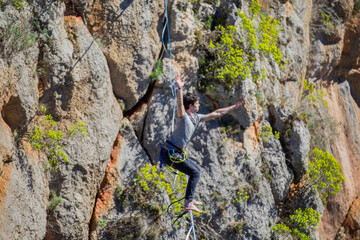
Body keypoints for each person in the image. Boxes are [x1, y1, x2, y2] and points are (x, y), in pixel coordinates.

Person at [160, 75, 245, 213]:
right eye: (197, 104)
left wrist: (234, 107)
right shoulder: (184, 117)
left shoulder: (196, 118)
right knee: (194, 172)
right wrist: (179, 88)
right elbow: (180, 105)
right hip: (169, 153)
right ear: (191, 106)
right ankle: (188, 203)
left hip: (176, 152)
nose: (199, 105)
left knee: (197, 170)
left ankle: (189, 199)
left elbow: (217, 113)